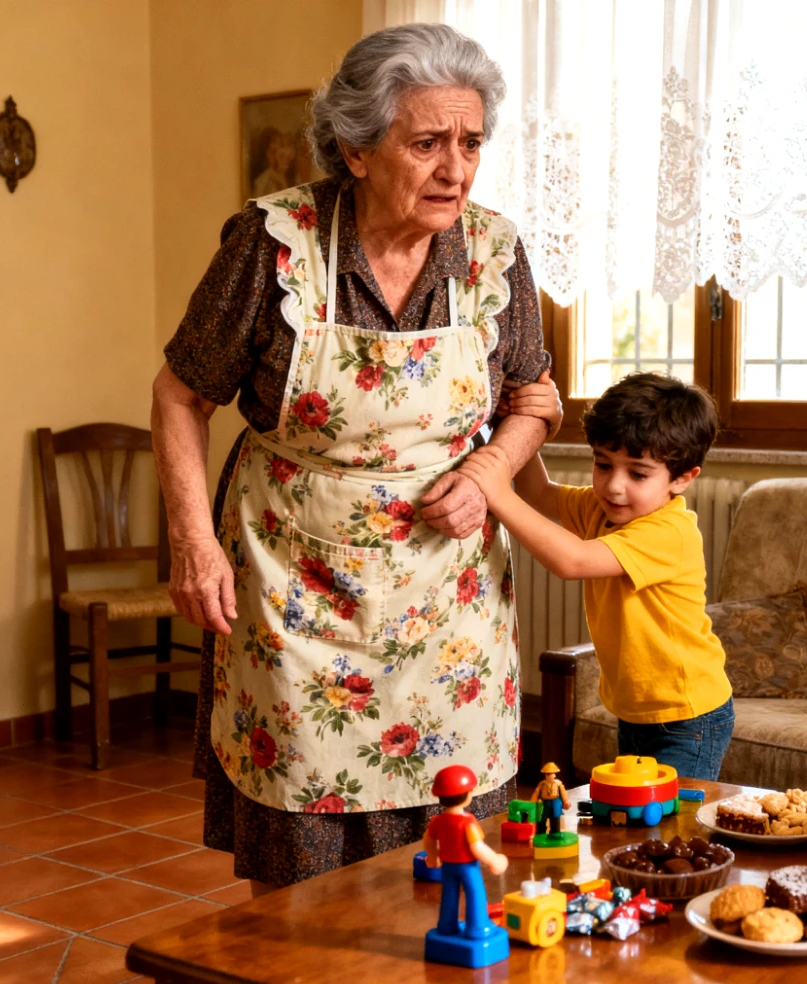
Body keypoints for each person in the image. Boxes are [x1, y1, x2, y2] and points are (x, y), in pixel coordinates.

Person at [152, 23, 551, 896]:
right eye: (428, 143)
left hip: (448, 595)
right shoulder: (274, 245)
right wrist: (193, 539)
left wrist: (487, 475)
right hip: (295, 583)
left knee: (459, 851)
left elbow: (533, 397)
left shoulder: (495, 253)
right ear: (356, 149)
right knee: (300, 858)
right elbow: (181, 394)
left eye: (472, 142)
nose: (457, 169)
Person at [455, 371, 736, 780]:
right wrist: (512, 426)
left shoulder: (669, 532)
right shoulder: (601, 509)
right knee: (638, 821)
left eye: (637, 474)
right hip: (636, 712)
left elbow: (573, 561)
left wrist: (497, 492)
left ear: (682, 478)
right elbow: (538, 493)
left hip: (688, 716)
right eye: (603, 465)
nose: (614, 486)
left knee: (674, 830)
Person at [423, 765, 509, 955]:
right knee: (475, 893)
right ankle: (478, 928)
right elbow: (476, 847)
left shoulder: (437, 821)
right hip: (467, 867)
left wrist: (433, 856)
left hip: (447, 867)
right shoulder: (467, 822)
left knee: (449, 895)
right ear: (467, 795)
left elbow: (428, 840)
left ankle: (446, 926)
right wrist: (494, 860)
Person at [531, 761, 567, 836]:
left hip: (555, 801)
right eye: (547, 774)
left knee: (555, 816)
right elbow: (536, 793)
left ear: (554, 775)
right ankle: (540, 832)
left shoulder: (558, 783)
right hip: (544, 802)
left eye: (551, 774)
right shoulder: (542, 784)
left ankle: (555, 831)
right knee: (541, 817)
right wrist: (532, 803)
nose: (549, 776)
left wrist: (566, 801)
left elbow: (563, 792)